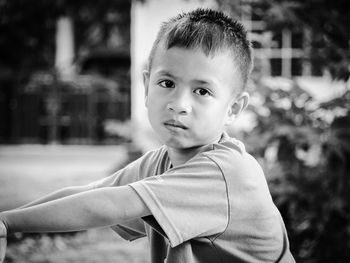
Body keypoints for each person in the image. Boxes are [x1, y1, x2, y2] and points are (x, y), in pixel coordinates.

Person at [0, 8, 295, 263]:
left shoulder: (226, 173)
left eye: (202, 91)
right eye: (167, 83)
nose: (178, 104)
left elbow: (108, 206)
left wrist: (8, 222)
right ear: (146, 86)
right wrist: (6, 222)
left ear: (233, 109)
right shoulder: (159, 163)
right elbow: (90, 195)